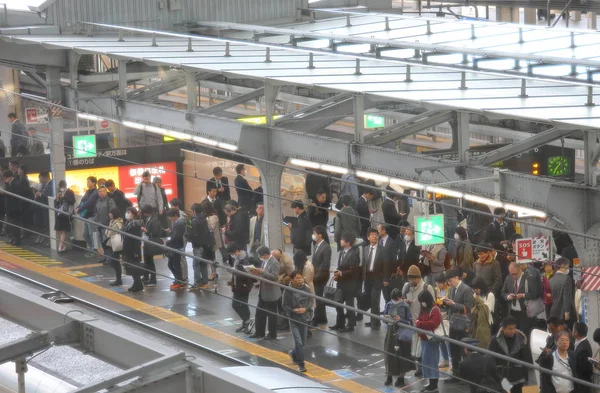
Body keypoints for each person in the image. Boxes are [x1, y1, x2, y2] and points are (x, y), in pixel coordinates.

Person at [402, 264, 435, 377]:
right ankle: (418, 367)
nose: (412, 281)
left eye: (413, 279)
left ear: (419, 277)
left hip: (422, 323)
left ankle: (422, 368)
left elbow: (433, 306)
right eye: (410, 279)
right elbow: (401, 301)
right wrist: (405, 302)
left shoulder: (427, 287)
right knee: (414, 348)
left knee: (422, 348)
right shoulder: (406, 286)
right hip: (410, 323)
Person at [443, 267, 475, 379]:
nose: (449, 283)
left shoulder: (467, 289)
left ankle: (466, 375)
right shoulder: (451, 289)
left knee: (464, 351)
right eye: (448, 281)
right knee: (453, 349)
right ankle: (455, 373)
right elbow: (452, 306)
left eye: (450, 280)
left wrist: (453, 304)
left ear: (457, 278)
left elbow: (468, 308)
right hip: (453, 323)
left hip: (463, 325)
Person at [488, 316, 530, 393]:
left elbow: (524, 359)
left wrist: (526, 378)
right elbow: (490, 359)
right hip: (501, 376)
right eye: (510, 329)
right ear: (503, 328)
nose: (512, 331)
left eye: (514, 328)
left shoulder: (521, 339)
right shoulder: (495, 340)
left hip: (517, 377)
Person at [359, 228, 390, 330]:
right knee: (369, 299)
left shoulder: (383, 249)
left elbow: (386, 265)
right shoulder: (366, 249)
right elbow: (363, 264)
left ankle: (376, 323)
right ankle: (373, 320)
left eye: (376, 235)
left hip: (378, 278)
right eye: (372, 235)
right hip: (367, 278)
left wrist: (386, 279)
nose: (374, 236)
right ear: (368, 237)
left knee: (375, 300)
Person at [383, 288, 414, 388]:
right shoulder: (388, 304)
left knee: (403, 355)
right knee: (389, 354)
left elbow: (410, 322)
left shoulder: (405, 306)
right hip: (391, 332)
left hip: (402, 333)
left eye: (397, 299)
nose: (395, 302)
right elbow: (384, 317)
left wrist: (401, 320)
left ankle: (401, 377)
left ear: (401, 297)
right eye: (393, 300)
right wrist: (387, 318)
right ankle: (389, 376)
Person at [329, 232, 360, 333]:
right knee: (338, 303)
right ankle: (340, 323)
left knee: (349, 305)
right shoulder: (342, 251)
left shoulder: (353, 254)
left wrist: (341, 273)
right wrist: (337, 272)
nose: (340, 241)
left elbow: (354, 270)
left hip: (349, 284)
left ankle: (350, 325)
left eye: (342, 239)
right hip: (341, 283)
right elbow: (340, 266)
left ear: (348, 242)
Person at [283, 270, 313, 373]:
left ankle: (293, 353)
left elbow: (310, 301)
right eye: (297, 278)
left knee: (303, 343)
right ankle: (301, 364)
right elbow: (284, 305)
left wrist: (305, 309)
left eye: (301, 277)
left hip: (304, 319)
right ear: (292, 279)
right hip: (294, 319)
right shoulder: (288, 290)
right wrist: (293, 310)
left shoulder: (306, 288)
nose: (300, 280)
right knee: (299, 343)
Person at [249, 246, 281, 340]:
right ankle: (259, 332)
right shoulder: (265, 261)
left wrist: (262, 272)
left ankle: (272, 334)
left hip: (271, 293)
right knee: (259, 312)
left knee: (271, 315)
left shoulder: (274, 262)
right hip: (263, 291)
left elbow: (274, 277)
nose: (260, 258)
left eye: (260, 256)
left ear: (266, 255)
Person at [415, 290, 442, 392]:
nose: (422, 303)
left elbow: (432, 324)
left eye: (423, 301)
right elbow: (419, 320)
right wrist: (419, 323)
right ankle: (431, 383)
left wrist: (420, 323)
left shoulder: (435, 309)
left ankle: (434, 384)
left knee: (432, 361)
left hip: (432, 340)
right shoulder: (424, 309)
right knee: (426, 361)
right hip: (424, 339)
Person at [227, 243, 256, 334]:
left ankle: (247, 322)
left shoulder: (244, 259)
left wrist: (233, 271)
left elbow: (245, 275)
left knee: (240, 304)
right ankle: (245, 323)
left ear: (237, 251)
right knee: (239, 304)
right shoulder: (238, 257)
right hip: (237, 285)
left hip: (244, 286)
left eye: (232, 253)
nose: (232, 255)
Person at [501, 262, 531, 336]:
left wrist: (523, 295)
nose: (513, 276)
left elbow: (535, 293)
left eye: (515, 274)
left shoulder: (528, 278)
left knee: (523, 333)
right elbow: (503, 292)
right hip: (512, 312)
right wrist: (508, 296)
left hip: (524, 311)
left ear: (520, 270)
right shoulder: (508, 278)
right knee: (513, 334)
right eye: (511, 274)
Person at [310, 225, 331, 326]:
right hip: (315, 275)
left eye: (314, 233)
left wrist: (319, 276)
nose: (313, 235)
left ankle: (317, 317)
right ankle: (322, 317)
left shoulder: (325, 247)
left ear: (320, 235)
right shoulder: (316, 245)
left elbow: (326, 265)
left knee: (318, 297)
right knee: (318, 296)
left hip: (321, 277)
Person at [189, 203, 212, 290]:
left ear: (194, 211)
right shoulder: (204, 219)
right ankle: (205, 281)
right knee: (203, 264)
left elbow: (193, 234)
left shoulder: (194, 221)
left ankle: (197, 282)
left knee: (196, 264)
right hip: (205, 245)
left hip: (197, 245)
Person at [550, 257, 576, 329]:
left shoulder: (551, 279)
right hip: (564, 313)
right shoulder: (567, 278)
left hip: (554, 311)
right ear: (563, 266)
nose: (568, 269)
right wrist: (567, 311)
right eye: (567, 266)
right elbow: (566, 296)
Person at [140, 204, 163, 287]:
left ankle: (153, 279)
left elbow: (155, 232)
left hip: (151, 242)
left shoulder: (154, 220)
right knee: (147, 260)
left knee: (149, 261)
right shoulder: (149, 218)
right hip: (147, 242)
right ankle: (146, 276)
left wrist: (146, 231)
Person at [76, 176, 99, 256]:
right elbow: (83, 201)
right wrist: (78, 207)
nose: (87, 183)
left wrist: (79, 209)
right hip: (86, 215)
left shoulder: (95, 192)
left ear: (94, 183)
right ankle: (90, 247)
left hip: (92, 215)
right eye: (87, 181)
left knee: (91, 233)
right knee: (85, 234)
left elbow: (89, 202)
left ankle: (94, 249)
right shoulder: (88, 191)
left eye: (89, 182)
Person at [122, 207, 143, 292]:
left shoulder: (135, 224)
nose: (127, 214)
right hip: (128, 248)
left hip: (133, 249)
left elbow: (136, 239)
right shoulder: (128, 223)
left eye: (129, 212)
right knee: (130, 267)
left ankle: (138, 285)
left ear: (133, 214)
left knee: (134, 267)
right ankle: (136, 284)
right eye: (127, 212)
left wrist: (135, 252)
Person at [165, 208, 186, 290]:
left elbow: (177, 236)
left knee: (175, 265)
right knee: (171, 264)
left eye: (170, 216)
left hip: (177, 247)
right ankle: (177, 280)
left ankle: (179, 281)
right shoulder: (176, 223)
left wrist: (167, 242)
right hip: (175, 246)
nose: (169, 218)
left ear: (174, 216)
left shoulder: (179, 223)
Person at [434, 274, 451, 368]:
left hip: (447, 316)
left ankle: (451, 359)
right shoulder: (436, 290)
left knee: (448, 339)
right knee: (440, 339)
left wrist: (442, 301)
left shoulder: (449, 289)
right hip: (438, 316)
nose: (438, 285)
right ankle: (445, 359)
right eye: (436, 283)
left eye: (439, 283)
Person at [571, 322, 593, 393]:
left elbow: (585, 370)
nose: (572, 331)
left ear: (576, 332)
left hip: (582, 386)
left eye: (573, 330)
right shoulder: (579, 343)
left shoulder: (584, 349)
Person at [378, 224, 397, 303]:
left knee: (389, 291)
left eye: (379, 230)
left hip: (389, 271)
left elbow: (393, 257)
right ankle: (386, 306)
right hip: (380, 271)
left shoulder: (391, 242)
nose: (377, 232)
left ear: (383, 230)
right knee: (384, 291)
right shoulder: (379, 241)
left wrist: (393, 271)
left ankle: (390, 309)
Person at [54, 180, 75, 253]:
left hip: (66, 214)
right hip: (59, 213)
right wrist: (57, 198)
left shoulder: (70, 192)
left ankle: (60, 246)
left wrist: (64, 197)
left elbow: (72, 201)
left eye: (62, 187)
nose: (62, 189)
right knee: (60, 230)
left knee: (63, 231)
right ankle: (63, 246)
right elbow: (57, 203)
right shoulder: (59, 193)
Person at [105, 207, 124, 286]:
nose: (109, 214)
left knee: (115, 262)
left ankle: (118, 279)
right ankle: (118, 279)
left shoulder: (117, 223)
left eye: (111, 213)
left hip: (116, 245)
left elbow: (109, 233)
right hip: (112, 243)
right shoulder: (112, 222)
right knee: (114, 261)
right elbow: (107, 232)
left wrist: (108, 231)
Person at [4, 170, 23, 245]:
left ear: (9, 177)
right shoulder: (10, 183)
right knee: (11, 224)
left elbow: (12, 194)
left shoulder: (15, 184)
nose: (5, 180)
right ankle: (13, 238)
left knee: (15, 224)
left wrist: (6, 185)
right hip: (10, 208)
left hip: (14, 208)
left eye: (5, 178)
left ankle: (17, 240)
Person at [203, 203, 221, 282]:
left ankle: (214, 273)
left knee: (212, 257)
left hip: (213, 240)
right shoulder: (206, 217)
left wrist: (204, 222)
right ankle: (212, 272)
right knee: (210, 257)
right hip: (208, 240)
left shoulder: (214, 217)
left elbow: (211, 228)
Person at [34, 171, 52, 245]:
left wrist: (40, 194)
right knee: (43, 223)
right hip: (42, 207)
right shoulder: (44, 185)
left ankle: (49, 240)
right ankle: (45, 238)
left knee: (47, 224)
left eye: (40, 178)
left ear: (45, 177)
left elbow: (48, 195)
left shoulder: (50, 185)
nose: (40, 180)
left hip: (47, 207)